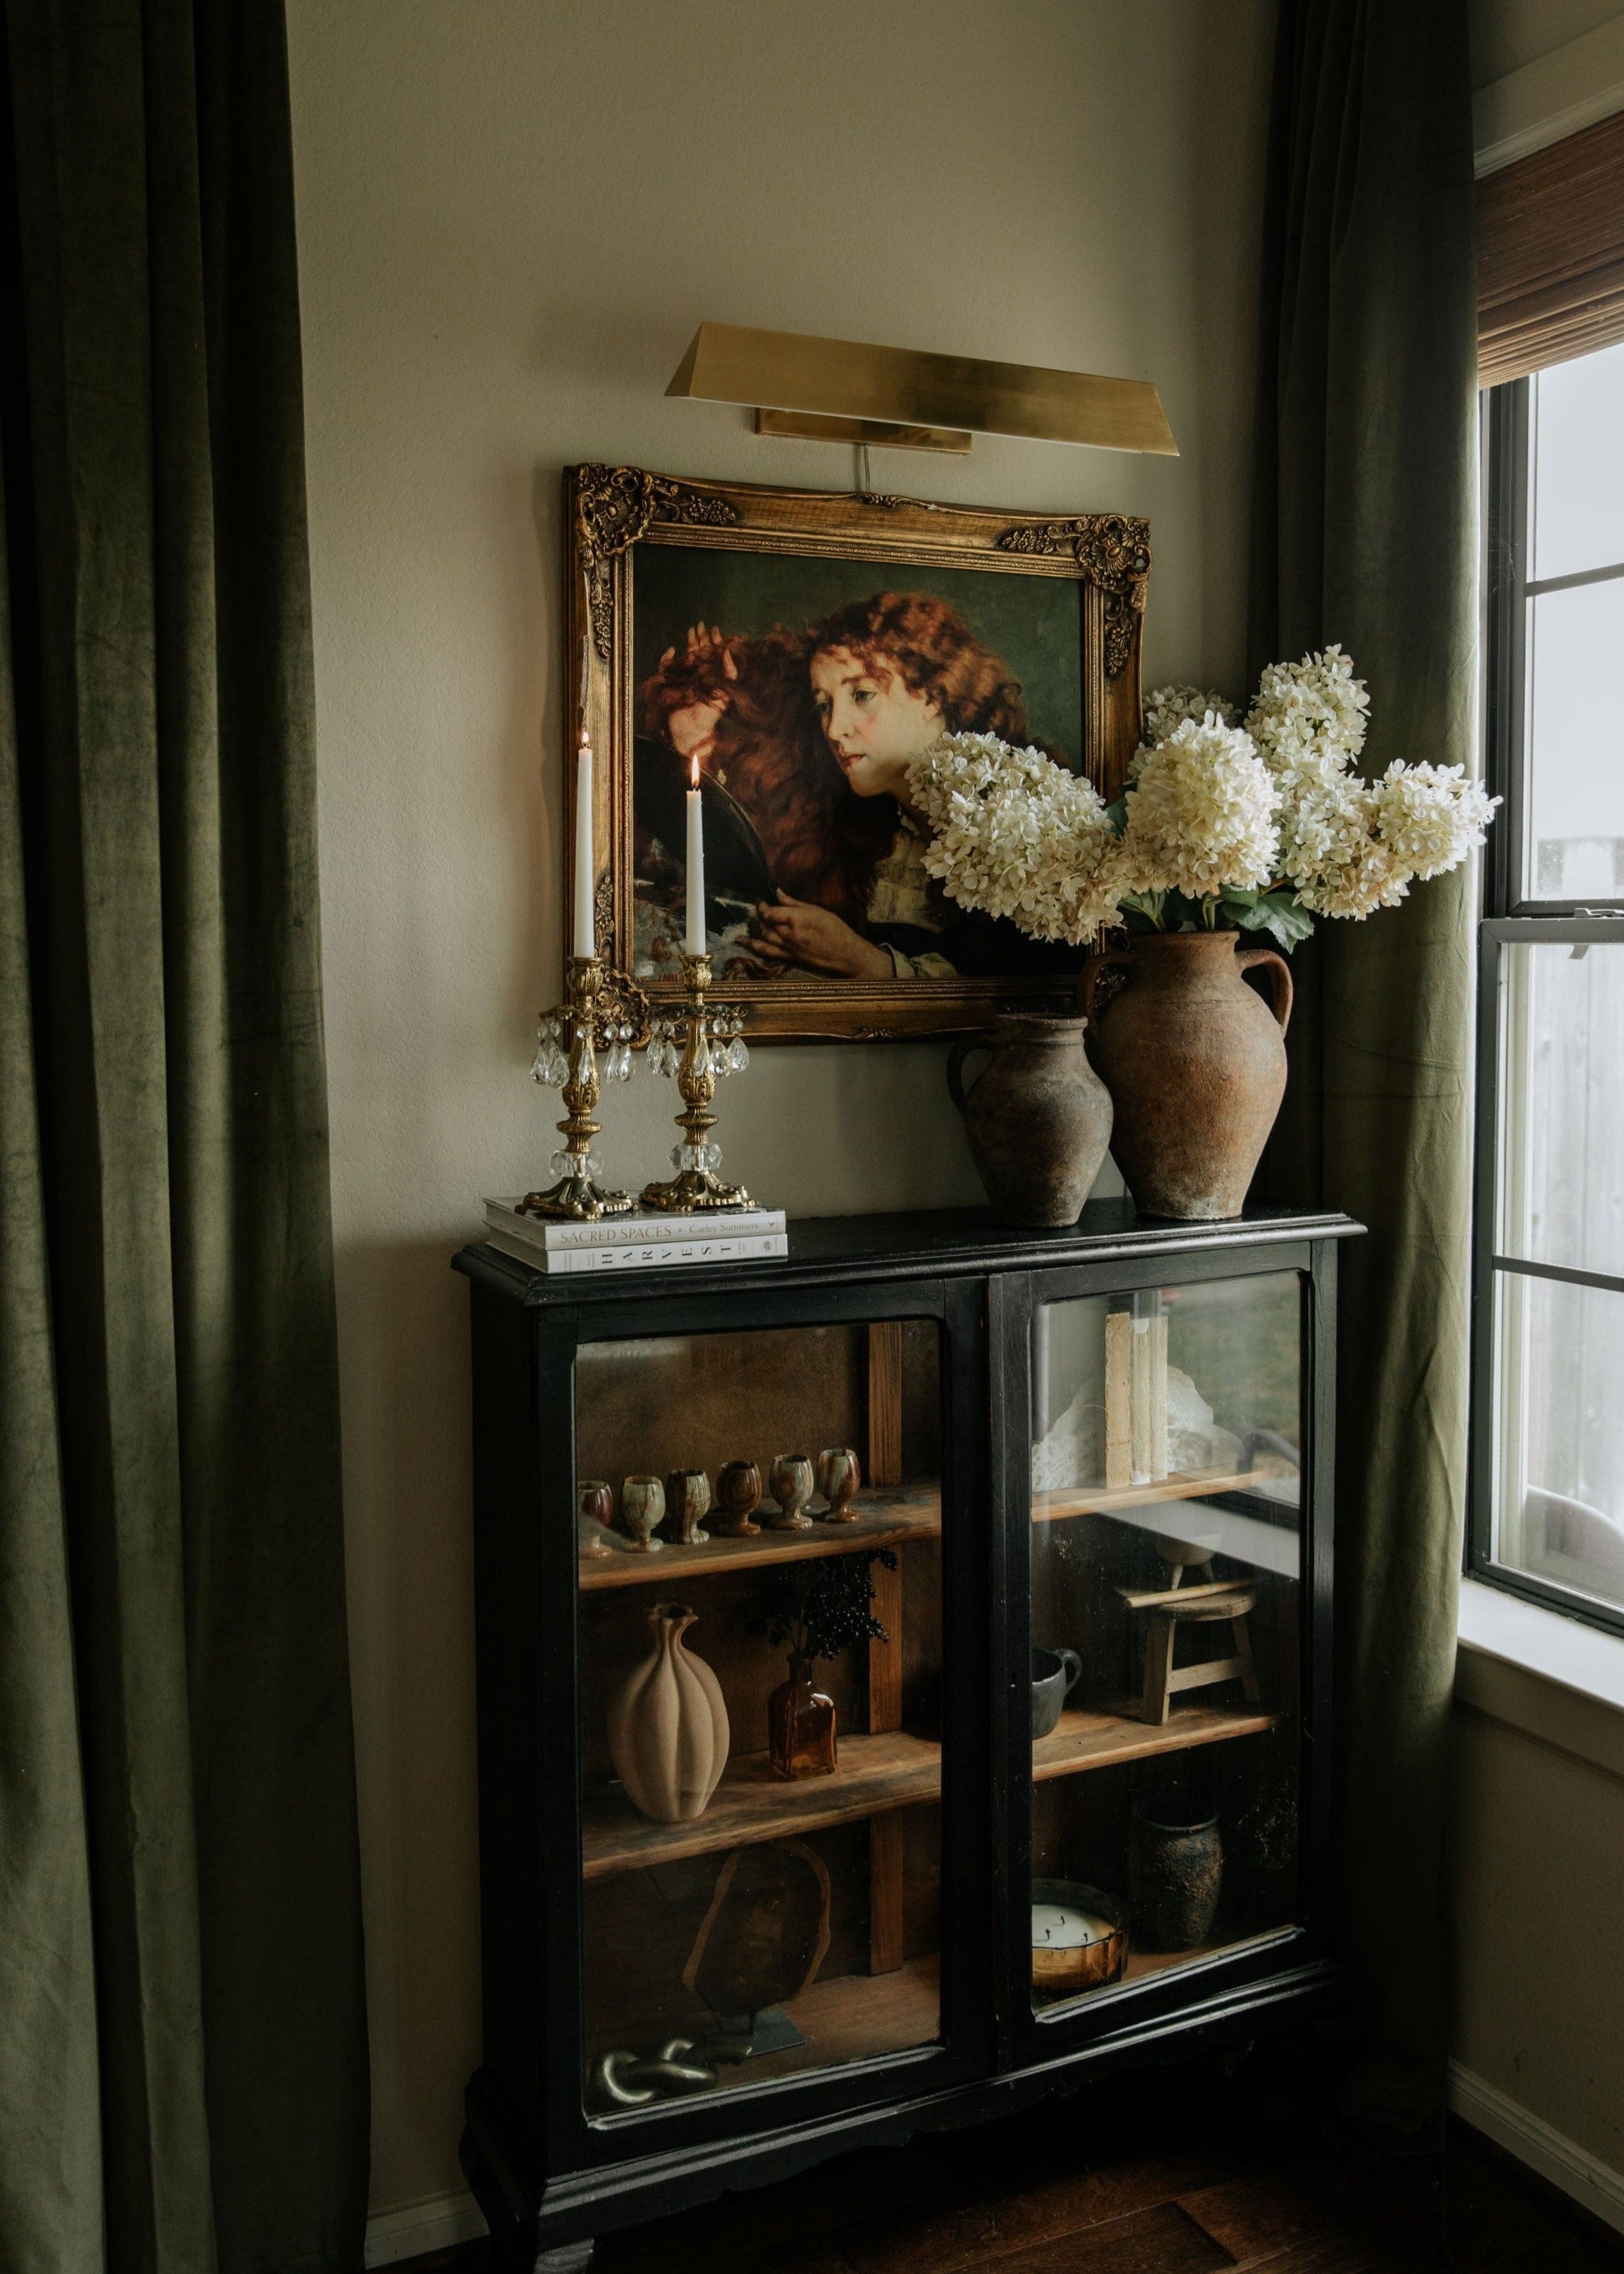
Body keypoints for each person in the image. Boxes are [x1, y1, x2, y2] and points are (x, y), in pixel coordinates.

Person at [748, 592, 1039, 978]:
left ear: (934, 695)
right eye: (824, 705)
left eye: (862, 695)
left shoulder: (1017, 813)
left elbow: (1011, 982)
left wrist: (859, 959)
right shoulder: (870, 831)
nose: (834, 729)